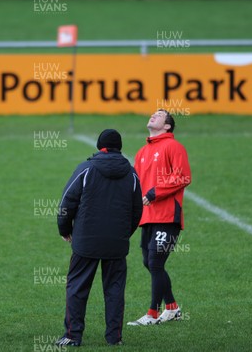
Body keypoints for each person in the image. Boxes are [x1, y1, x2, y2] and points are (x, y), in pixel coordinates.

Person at [55, 129, 143, 347]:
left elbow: (66, 204)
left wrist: (64, 229)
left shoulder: (86, 169)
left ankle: (73, 335)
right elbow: (137, 211)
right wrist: (123, 234)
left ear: (99, 146)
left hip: (86, 242)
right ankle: (115, 338)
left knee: (77, 288)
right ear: (119, 148)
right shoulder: (131, 173)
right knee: (114, 290)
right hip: (116, 243)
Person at [127, 109, 191, 326]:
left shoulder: (173, 146)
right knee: (149, 262)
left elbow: (182, 176)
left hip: (166, 216)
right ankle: (172, 307)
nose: (153, 116)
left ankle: (152, 313)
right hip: (147, 217)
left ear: (167, 126)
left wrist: (155, 192)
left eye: (159, 115)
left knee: (155, 262)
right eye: (153, 114)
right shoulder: (142, 152)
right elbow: (136, 185)